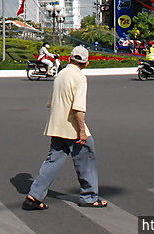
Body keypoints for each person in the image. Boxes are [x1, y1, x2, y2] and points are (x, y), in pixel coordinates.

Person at [23, 46, 107, 210]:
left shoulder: (60, 74)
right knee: (86, 158)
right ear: (86, 63)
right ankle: (89, 197)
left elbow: (51, 102)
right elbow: (78, 108)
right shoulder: (79, 77)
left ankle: (34, 195)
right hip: (71, 126)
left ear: (70, 59)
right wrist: (82, 131)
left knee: (53, 160)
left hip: (57, 124)